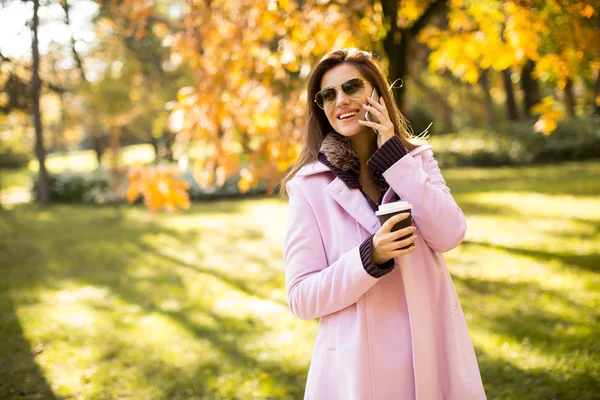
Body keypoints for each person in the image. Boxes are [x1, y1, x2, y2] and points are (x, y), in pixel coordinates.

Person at [279, 48, 487, 400]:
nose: (340, 101)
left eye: (351, 87)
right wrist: (368, 257)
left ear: (376, 91)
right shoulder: (308, 187)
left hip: (431, 352)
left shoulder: (417, 159)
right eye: (328, 94)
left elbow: (450, 233)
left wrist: (395, 157)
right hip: (362, 370)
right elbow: (301, 298)